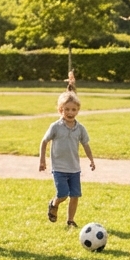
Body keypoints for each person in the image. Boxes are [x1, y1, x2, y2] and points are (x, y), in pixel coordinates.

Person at [39, 90, 95, 229]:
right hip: (59, 168)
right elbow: (44, 141)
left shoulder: (80, 128)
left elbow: (86, 145)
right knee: (63, 194)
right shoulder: (55, 127)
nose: (70, 112)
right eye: (67, 109)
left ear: (78, 110)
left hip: (74, 168)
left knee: (75, 196)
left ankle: (70, 220)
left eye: (73, 109)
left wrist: (91, 160)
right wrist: (42, 160)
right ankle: (54, 204)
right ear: (60, 110)